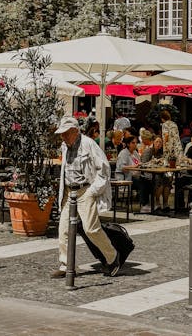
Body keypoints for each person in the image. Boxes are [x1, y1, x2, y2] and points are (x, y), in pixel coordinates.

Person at [52, 116, 120, 279]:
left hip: (85, 191)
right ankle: (66, 264)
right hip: (69, 192)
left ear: (75, 131)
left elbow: (104, 170)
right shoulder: (64, 145)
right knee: (64, 230)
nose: (63, 136)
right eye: (61, 133)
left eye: (66, 133)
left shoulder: (89, 144)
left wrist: (93, 191)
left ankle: (112, 257)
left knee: (91, 229)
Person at [116, 135, 151, 213]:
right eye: (133, 143)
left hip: (136, 175)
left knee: (149, 181)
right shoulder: (123, 153)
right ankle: (143, 205)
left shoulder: (135, 153)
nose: (135, 144)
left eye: (136, 143)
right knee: (142, 183)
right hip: (127, 177)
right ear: (128, 144)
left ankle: (149, 203)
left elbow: (139, 163)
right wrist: (134, 166)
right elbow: (122, 167)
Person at [142, 135, 172, 213]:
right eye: (157, 142)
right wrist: (154, 162)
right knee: (159, 179)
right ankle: (157, 202)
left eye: (160, 142)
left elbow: (162, 163)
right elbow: (143, 164)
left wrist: (162, 162)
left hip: (158, 172)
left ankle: (165, 203)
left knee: (167, 179)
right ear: (153, 142)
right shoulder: (148, 151)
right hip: (147, 173)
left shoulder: (160, 152)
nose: (159, 144)